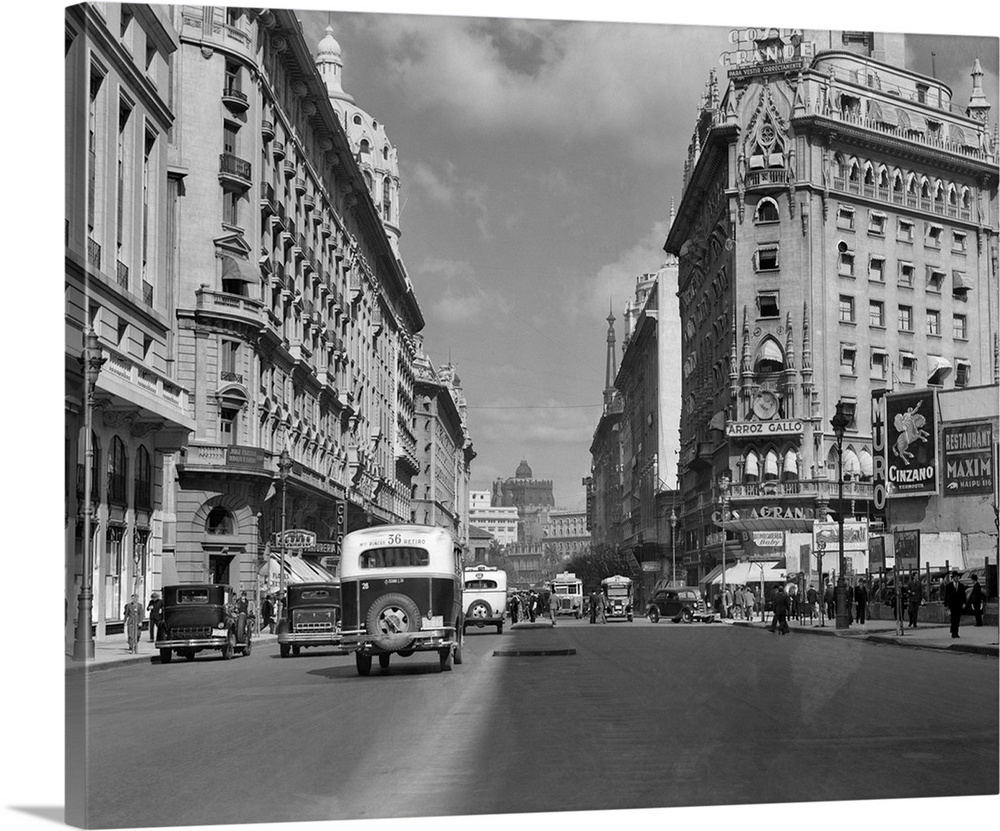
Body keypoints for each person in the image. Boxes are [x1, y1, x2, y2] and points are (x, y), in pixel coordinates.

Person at [943, 571, 967, 639]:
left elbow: (963, 595)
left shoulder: (961, 586)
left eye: (957, 577)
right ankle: (953, 632)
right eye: (955, 577)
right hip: (952, 605)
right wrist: (946, 605)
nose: (957, 578)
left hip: (959, 605)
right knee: (953, 619)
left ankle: (956, 632)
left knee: (958, 619)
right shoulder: (949, 586)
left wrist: (964, 603)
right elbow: (946, 596)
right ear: (953, 578)